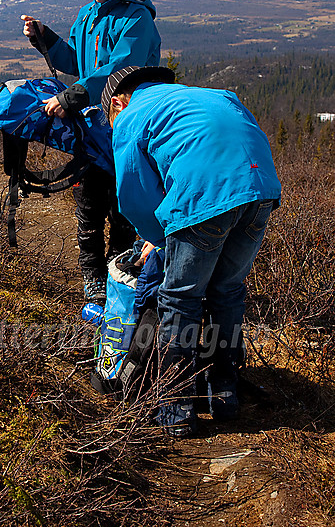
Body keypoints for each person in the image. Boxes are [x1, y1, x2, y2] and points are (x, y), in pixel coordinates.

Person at [101, 65, 281, 438]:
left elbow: (132, 198)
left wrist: (157, 238)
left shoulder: (132, 115)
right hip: (260, 188)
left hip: (207, 196)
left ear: (117, 103)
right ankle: (225, 395)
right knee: (227, 290)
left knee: (180, 300)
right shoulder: (216, 95)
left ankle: (175, 407)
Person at [22, 0, 161, 302]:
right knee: (88, 205)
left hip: (126, 126)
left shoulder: (136, 20)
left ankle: (118, 272)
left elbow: (124, 68)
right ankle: (93, 277)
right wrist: (46, 38)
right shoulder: (87, 15)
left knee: (123, 206)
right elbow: (76, 63)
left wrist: (75, 94)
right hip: (91, 127)